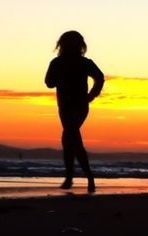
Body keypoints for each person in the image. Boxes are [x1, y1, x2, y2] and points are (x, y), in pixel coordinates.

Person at [44, 30, 104, 192]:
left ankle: (81, 177)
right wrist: (91, 94)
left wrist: (91, 95)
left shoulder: (81, 63)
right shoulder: (59, 63)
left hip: (78, 105)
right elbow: (49, 82)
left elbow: (99, 77)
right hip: (65, 106)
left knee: (71, 136)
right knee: (70, 139)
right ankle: (78, 177)